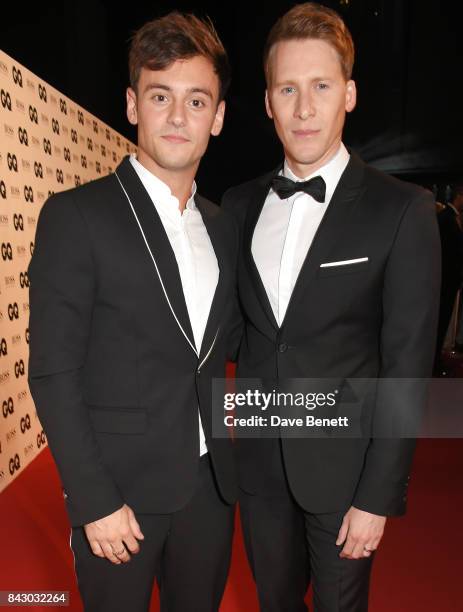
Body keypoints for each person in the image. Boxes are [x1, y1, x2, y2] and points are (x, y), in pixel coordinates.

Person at [222, 3, 440, 610]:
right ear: (267, 101)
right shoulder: (237, 207)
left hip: (346, 477)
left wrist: (378, 495)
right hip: (261, 472)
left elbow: (406, 368)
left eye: (320, 86)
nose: (304, 107)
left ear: (349, 93)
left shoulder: (402, 210)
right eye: (287, 88)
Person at [28, 12, 239, 612]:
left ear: (218, 117)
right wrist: (93, 500)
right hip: (118, 497)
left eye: (197, 100)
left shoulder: (222, 227)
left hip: (211, 489)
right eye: (160, 96)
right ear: (132, 104)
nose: (178, 117)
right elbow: (53, 371)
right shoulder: (77, 217)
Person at [434, 181, 463, 366]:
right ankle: (434, 360)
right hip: (444, 280)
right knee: (441, 320)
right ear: (459, 196)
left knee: (444, 320)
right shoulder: (446, 219)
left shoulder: (451, 217)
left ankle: (436, 358)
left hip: (448, 280)